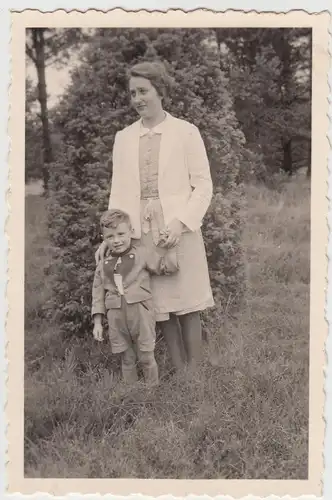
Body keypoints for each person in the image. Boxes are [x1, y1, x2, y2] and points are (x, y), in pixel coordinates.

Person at [96, 60, 214, 370]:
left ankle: (195, 375)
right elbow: (118, 190)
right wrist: (111, 236)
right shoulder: (124, 138)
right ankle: (177, 368)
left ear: (160, 90)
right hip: (141, 231)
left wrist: (181, 222)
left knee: (187, 300)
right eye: (133, 93)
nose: (137, 99)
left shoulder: (185, 132)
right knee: (159, 304)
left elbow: (203, 185)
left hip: (179, 227)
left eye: (143, 91)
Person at [91, 208, 178, 386]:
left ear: (131, 232)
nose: (116, 241)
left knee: (146, 355)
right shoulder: (102, 265)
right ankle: (131, 392)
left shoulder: (142, 254)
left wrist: (169, 250)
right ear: (104, 239)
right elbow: (98, 295)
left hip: (141, 314)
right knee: (127, 358)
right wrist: (98, 322)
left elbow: (164, 267)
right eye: (110, 237)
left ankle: (152, 390)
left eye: (121, 234)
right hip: (116, 317)